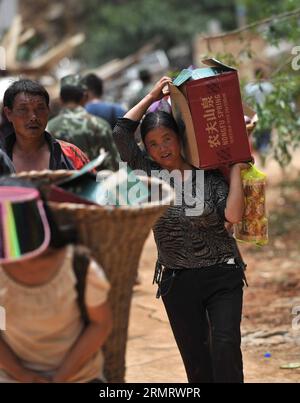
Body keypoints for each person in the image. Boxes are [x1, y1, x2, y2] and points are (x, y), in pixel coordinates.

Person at [112, 76, 249, 383]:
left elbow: (233, 215)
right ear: (145, 149)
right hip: (177, 280)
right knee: (197, 361)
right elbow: (121, 131)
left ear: (180, 137)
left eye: (167, 139)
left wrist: (237, 169)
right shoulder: (149, 175)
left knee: (226, 347)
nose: (162, 149)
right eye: (153, 144)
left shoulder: (209, 173)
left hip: (222, 275)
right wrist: (151, 96)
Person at [0, 178, 112, 383]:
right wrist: (23, 375)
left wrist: (60, 378)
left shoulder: (78, 266)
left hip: (80, 377)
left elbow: (100, 324)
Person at [2, 79, 89, 172]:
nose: (33, 117)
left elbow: (94, 184)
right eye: (23, 109)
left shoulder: (71, 154)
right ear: (8, 114)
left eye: (40, 108)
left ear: (48, 110)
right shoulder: (2, 156)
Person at [47, 74, 119, 170]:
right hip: (99, 183)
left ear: (60, 99)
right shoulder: (100, 125)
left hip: (66, 184)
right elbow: (116, 165)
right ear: (85, 97)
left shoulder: (50, 129)